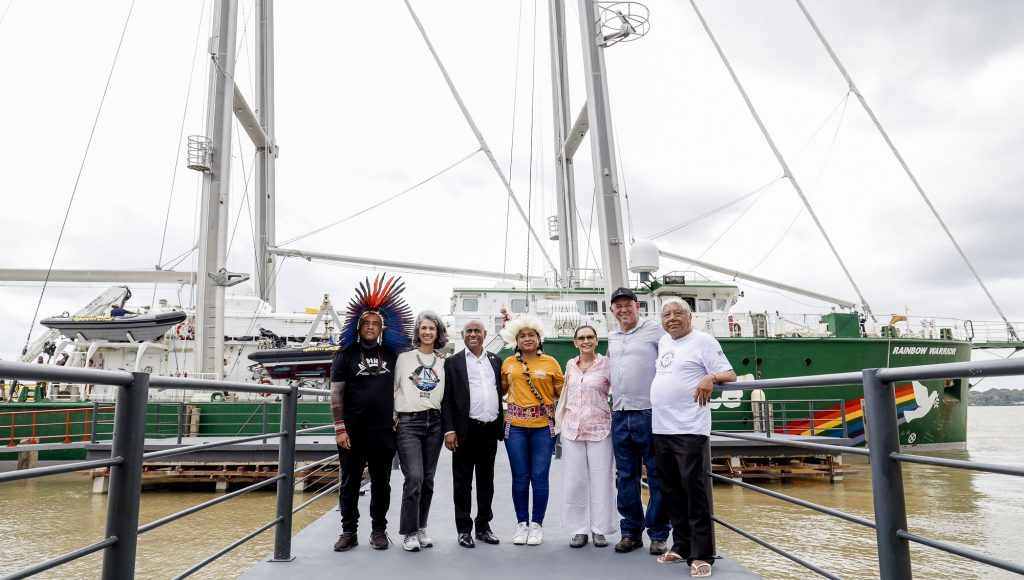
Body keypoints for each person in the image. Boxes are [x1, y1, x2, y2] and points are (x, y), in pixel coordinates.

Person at [651, 298, 736, 578]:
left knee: (693, 491)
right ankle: (682, 545)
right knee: (672, 490)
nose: (672, 318)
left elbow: (730, 374)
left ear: (690, 316)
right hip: (662, 427)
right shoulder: (665, 342)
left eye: (678, 313)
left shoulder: (704, 341)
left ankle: (702, 554)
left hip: (689, 428)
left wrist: (710, 377)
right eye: (666, 314)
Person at [330, 274, 413, 553]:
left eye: (375, 323)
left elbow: (408, 383)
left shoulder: (393, 355)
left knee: (382, 483)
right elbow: (335, 397)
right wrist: (340, 428)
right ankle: (348, 530)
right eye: (365, 322)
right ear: (358, 326)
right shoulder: (345, 355)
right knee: (349, 483)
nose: (370, 326)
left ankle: (379, 529)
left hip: (382, 431)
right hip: (352, 431)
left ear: (381, 328)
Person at [607, 286, 671, 555]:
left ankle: (658, 534)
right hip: (620, 413)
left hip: (649, 412)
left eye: (628, 304)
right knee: (625, 477)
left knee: (656, 474)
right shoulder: (611, 337)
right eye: (617, 306)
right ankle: (631, 532)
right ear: (612, 310)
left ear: (638, 306)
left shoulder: (656, 331)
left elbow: (671, 361)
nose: (623, 309)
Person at [500, 315, 563, 546]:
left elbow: (560, 392)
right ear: (516, 341)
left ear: (539, 338)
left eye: (531, 335)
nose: (527, 339)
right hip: (515, 427)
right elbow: (503, 390)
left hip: (543, 428)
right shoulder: (508, 364)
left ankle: (537, 525)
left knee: (539, 477)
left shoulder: (551, 363)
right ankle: (521, 524)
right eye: (522, 336)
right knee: (520, 477)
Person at [441, 319, 504, 548]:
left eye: (477, 331)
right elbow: (446, 398)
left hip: (489, 430)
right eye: (469, 331)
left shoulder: (496, 361)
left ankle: (484, 527)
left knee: (487, 481)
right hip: (465, 431)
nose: (473, 334)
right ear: (462, 334)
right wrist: (449, 430)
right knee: (462, 483)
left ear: (485, 334)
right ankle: (464, 529)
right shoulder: (452, 363)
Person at [394, 311, 448, 552]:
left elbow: (445, 397)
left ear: (438, 334)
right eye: (423, 328)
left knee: (427, 479)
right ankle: (408, 532)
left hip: (434, 422)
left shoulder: (444, 364)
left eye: (432, 329)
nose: (427, 332)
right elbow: (393, 388)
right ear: (417, 332)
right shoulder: (404, 359)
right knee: (413, 477)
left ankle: (421, 526)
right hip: (409, 423)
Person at [559, 324, 616, 548]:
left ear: (596, 340)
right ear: (575, 342)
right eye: (581, 338)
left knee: (602, 479)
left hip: (600, 428)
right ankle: (578, 529)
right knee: (575, 480)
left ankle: (600, 529)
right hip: (572, 428)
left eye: (590, 337)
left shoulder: (606, 365)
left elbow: (618, 390)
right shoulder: (570, 366)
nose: (585, 341)